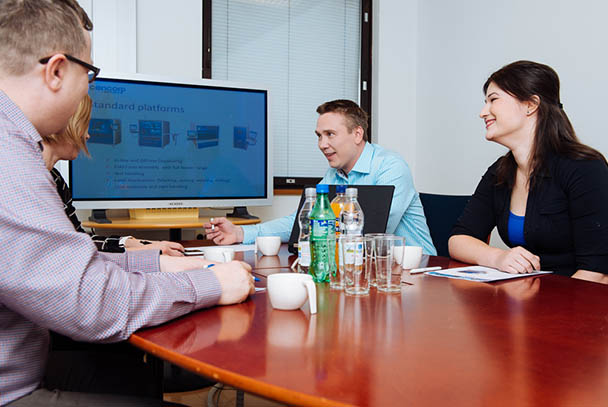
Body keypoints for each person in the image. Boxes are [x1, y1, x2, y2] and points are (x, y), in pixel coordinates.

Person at [0, 1, 254, 406]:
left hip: (30, 362)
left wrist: (154, 263)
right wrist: (212, 284)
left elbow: (61, 267)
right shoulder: (10, 160)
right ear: (57, 71)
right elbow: (91, 300)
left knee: (135, 373)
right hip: (14, 392)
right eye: (90, 74)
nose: (88, 90)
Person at [205, 99, 437, 255]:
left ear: (357, 134)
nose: (322, 144)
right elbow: (304, 220)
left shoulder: (391, 167)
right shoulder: (334, 174)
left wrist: (318, 228)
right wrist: (241, 233)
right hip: (362, 269)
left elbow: (373, 231)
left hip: (418, 273)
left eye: (330, 134)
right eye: (319, 135)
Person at [449, 60, 608, 283]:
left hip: (577, 297)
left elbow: (596, 272)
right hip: (526, 296)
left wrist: (549, 305)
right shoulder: (500, 172)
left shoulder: (585, 168)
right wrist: (498, 257)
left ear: (530, 105)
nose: (483, 112)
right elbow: (458, 239)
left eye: (493, 100)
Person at [44, 95, 185, 256]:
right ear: (64, 122)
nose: (87, 135)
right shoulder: (28, 182)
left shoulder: (56, 180)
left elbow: (80, 241)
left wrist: (133, 243)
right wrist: (139, 252)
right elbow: (69, 250)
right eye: (84, 124)